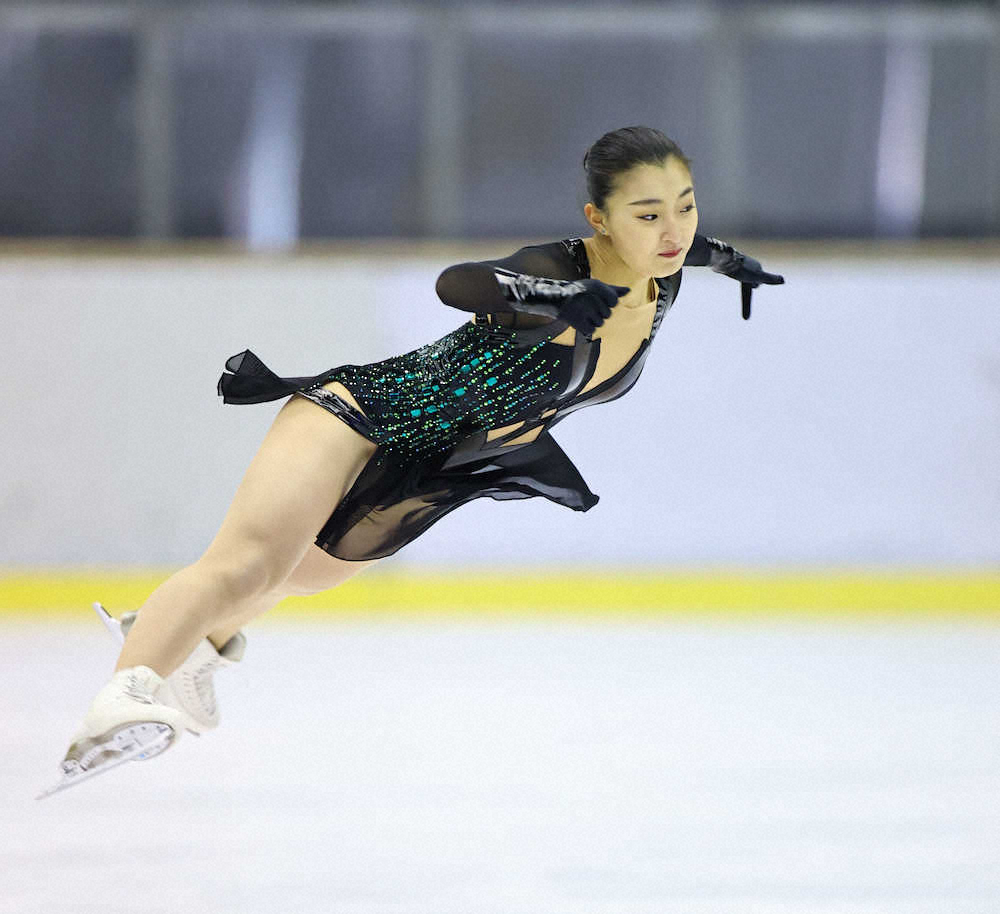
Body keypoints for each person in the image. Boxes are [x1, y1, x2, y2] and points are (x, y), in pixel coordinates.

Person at [43, 126, 783, 795]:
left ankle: (185, 639)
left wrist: (733, 260)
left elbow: (698, 248)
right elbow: (460, 283)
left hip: (430, 468)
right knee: (249, 567)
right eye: (647, 214)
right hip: (364, 417)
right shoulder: (554, 269)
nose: (673, 229)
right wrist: (554, 293)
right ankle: (123, 694)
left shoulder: (666, 276)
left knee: (298, 576)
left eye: (685, 206)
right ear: (599, 219)